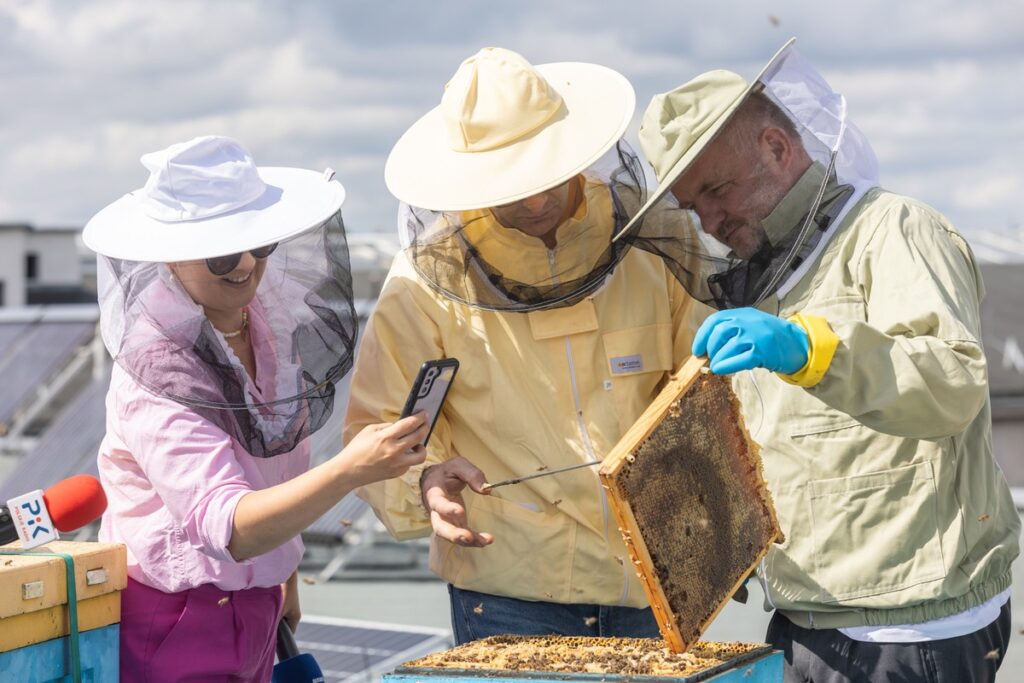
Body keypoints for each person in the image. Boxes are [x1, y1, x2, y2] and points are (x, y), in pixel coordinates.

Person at [623, 38, 1020, 682]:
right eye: (694, 207)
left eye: (717, 189)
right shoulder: (763, 272)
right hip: (806, 617)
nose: (710, 220)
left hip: (909, 627)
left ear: (777, 148)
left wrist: (810, 349)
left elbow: (951, 385)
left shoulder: (894, 230)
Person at [344, 47, 702, 643]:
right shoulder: (421, 285)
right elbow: (374, 431)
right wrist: (424, 482)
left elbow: (709, 386)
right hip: (510, 593)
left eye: (546, 178)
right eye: (513, 186)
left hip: (656, 579)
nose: (536, 203)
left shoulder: (655, 244)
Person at [84, 135, 428, 681]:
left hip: (259, 605)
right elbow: (229, 528)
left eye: (260, 244)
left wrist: (283, 572)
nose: (246, 264)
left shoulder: (267, 326)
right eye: (223, 253)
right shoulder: (155, 369)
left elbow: (273, 476)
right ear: (169, 254)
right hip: (173, 619)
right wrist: (349, 470)